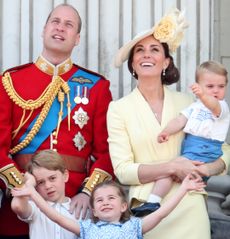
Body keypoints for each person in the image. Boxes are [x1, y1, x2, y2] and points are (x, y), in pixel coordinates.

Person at [107, 7, 230, 239]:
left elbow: (222, 149)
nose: (146, 55)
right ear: (132, 64)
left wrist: (208, 168)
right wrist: (172, 167)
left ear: (165, 62)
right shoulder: (118, 109)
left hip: (190, 202)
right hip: (148, 209)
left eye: (154, 49)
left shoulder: (188, 102)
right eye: (140, 51)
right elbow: (123, 171)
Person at [0, 3, 114, 238]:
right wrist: (21, 187)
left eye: (68, 25)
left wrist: (87, 193)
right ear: (43, 30)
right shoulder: (11, 81)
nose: (61, 28)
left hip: (76, 208)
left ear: (77, 38)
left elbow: (107, 152)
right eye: (56, 22)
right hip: (22, 202)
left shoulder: (96, 87)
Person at [135, 60, 230, 216]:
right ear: (198, 85)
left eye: (221, 86)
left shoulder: (221, 106)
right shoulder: (195, 106)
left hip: (206, 148)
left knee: (171, 168)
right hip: (191, 145)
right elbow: (180, 120)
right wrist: (166, 131)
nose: (216, 91)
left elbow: (213, 105)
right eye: (210, 86)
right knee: (172, 171)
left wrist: (203, 94)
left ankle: (153, 202)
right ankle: (156, 201)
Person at [11, 173, 205, 239]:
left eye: (111, 198)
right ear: (93, 210)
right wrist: (32, 193)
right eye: (100, 200)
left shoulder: (134, 226)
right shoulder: (87, 228)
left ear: (123, 206)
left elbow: (161, 213)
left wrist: (184, 188)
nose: (105, 202)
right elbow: (56, 217)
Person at [11, 149, 78, 239]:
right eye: (41, 182)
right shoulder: (35, 207)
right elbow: (17, 206)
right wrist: (29, 183)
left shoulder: (79, 210)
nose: (48, 186)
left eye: (52, 178)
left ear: (65, 175)